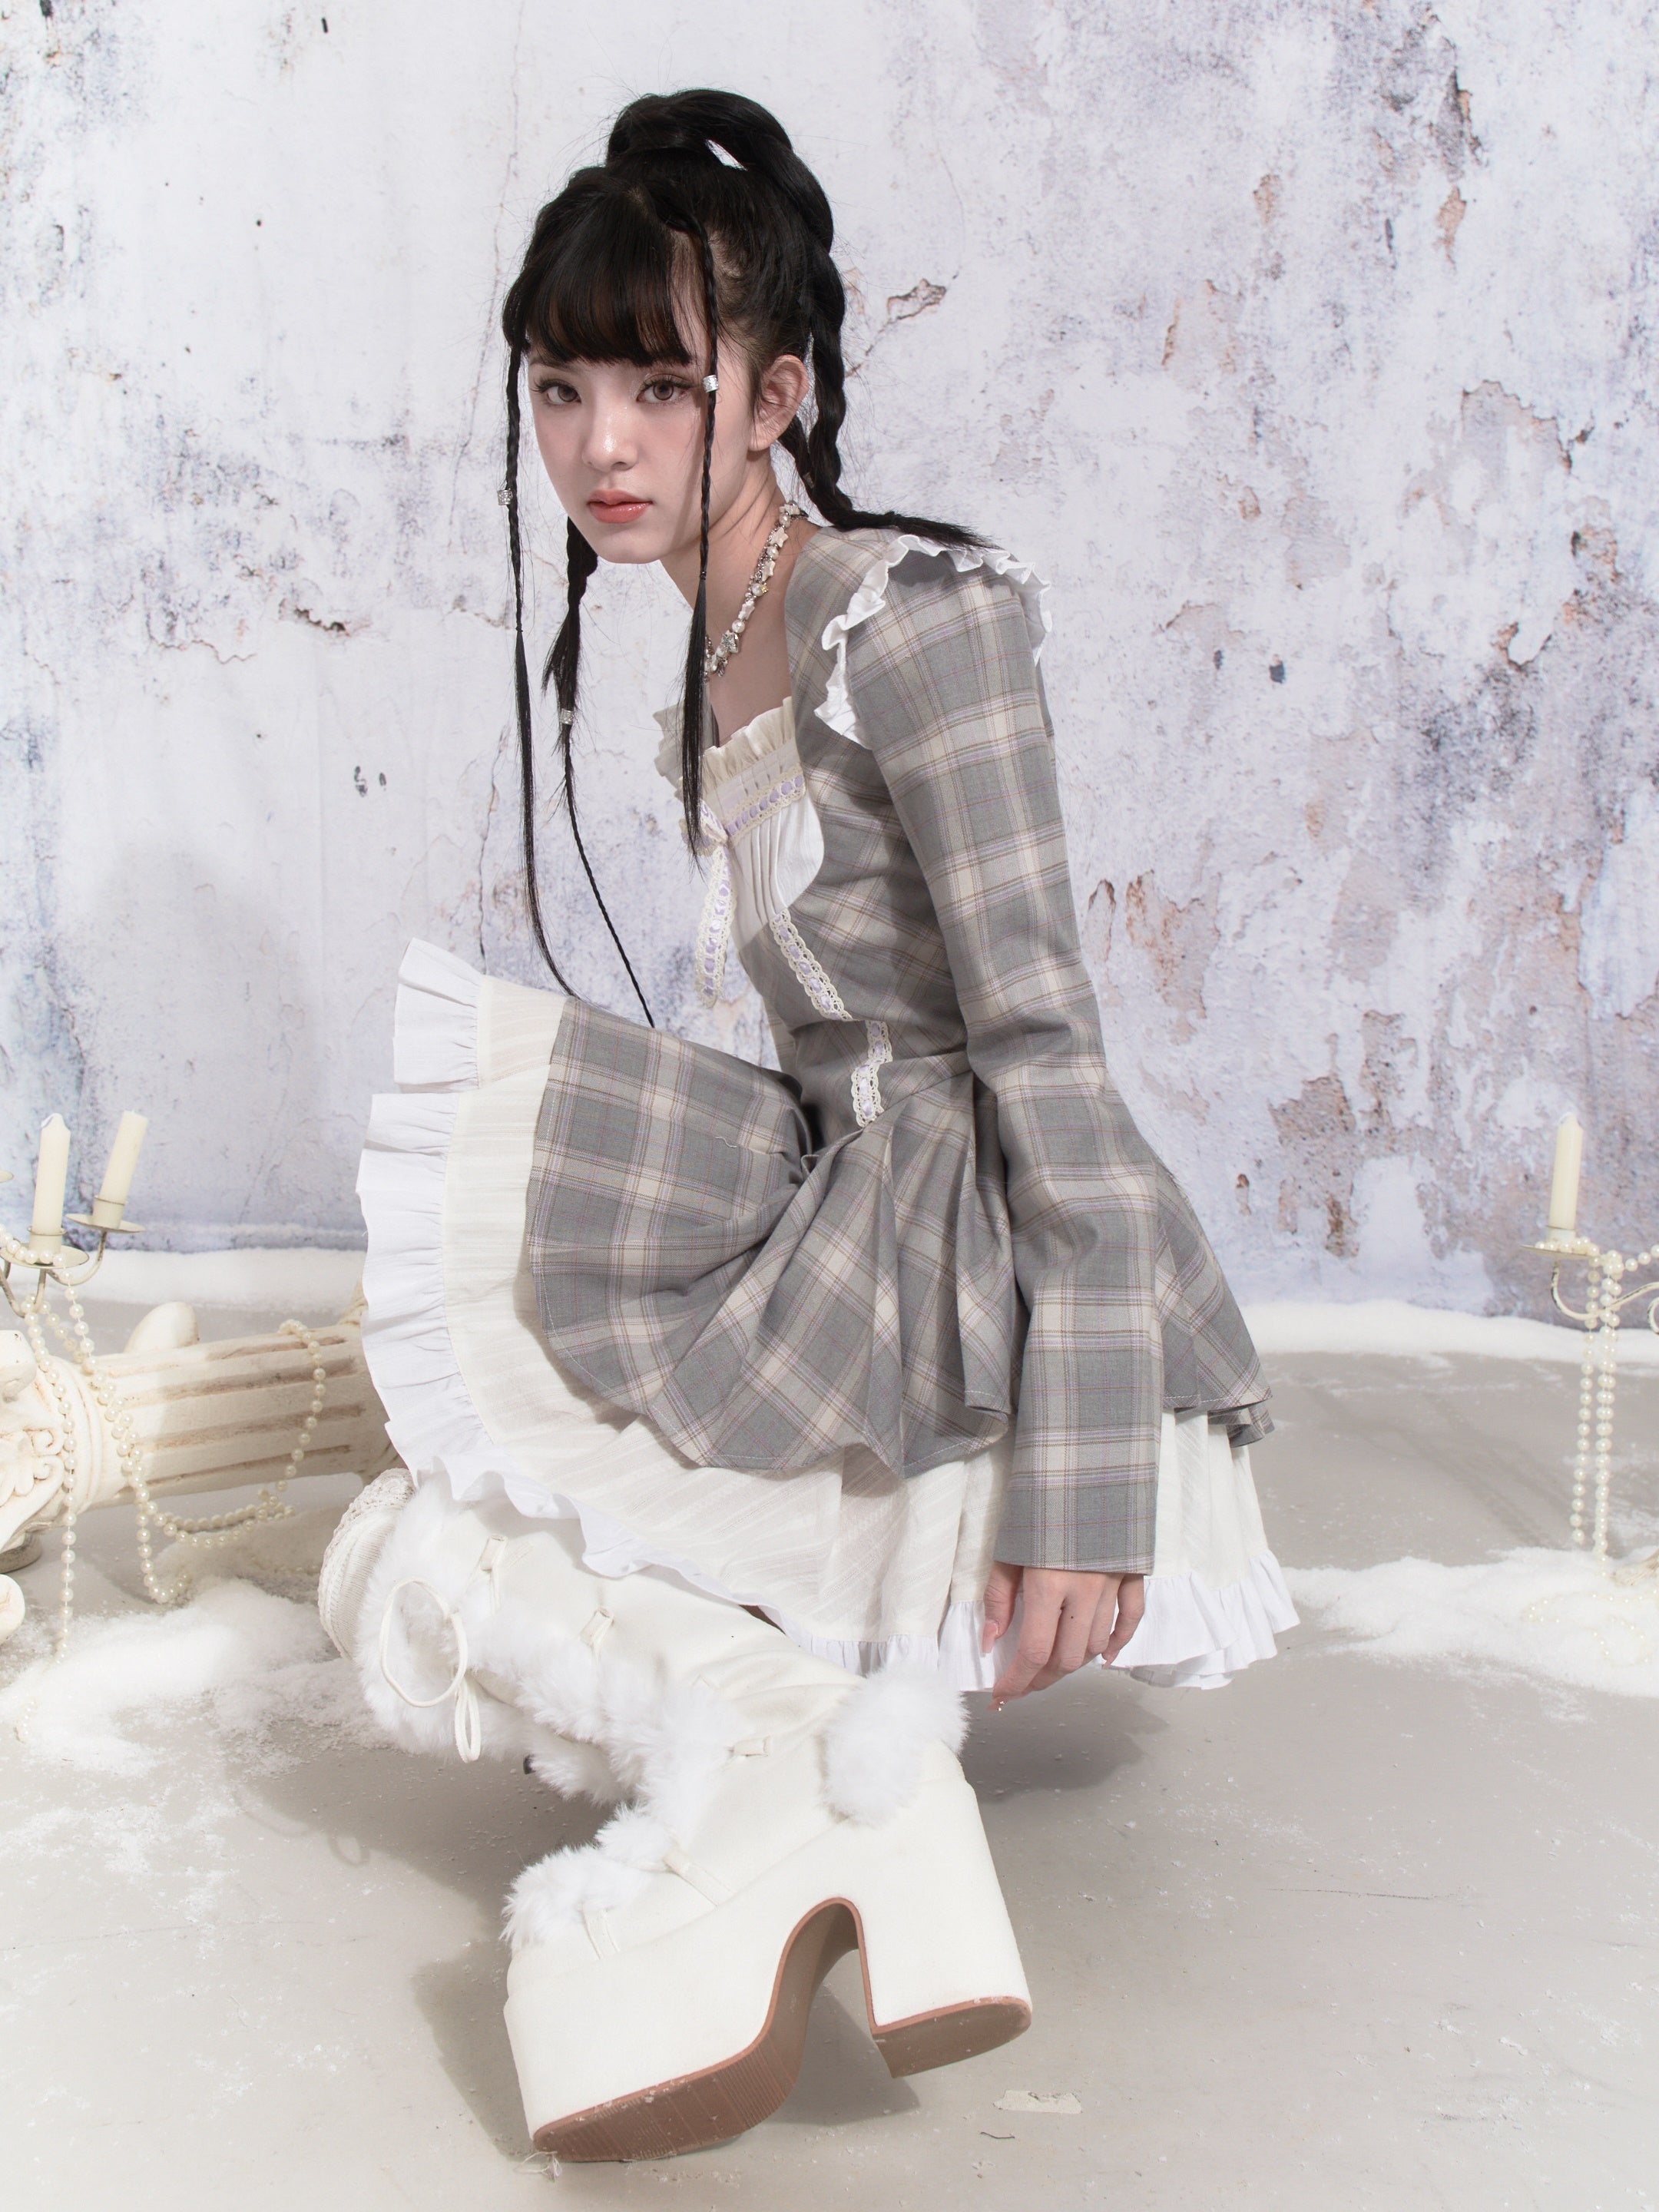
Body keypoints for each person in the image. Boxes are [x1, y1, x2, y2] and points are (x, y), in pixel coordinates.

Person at [319, 87, 1293, 2164]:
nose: (601, 443)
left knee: (442, 1550)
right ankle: (843, 1793)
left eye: (661, 387)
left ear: (779, 395)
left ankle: (823, 1799)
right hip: (862, 1220)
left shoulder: (911, 624)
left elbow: (1045, 1046)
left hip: (996, 1300)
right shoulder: (713, 649)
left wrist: (1085, 1467)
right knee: (423, 1537)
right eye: (563, 387)